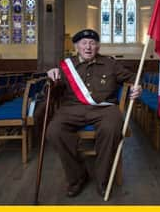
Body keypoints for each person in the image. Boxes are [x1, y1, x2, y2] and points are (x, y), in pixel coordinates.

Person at [46, 28, 141, 198]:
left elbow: (134, 77)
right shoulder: (66, 66)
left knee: (112, 128)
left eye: (92, 43)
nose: (88, 47)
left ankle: (102, 179)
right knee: (54, 130)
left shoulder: (110, 64)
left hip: (104, 109)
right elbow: (54, 90)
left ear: (97, 46)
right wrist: (50, 77)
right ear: (77, 46)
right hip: (72, 109)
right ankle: (77, 177)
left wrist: (136, 86)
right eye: (84, 43)